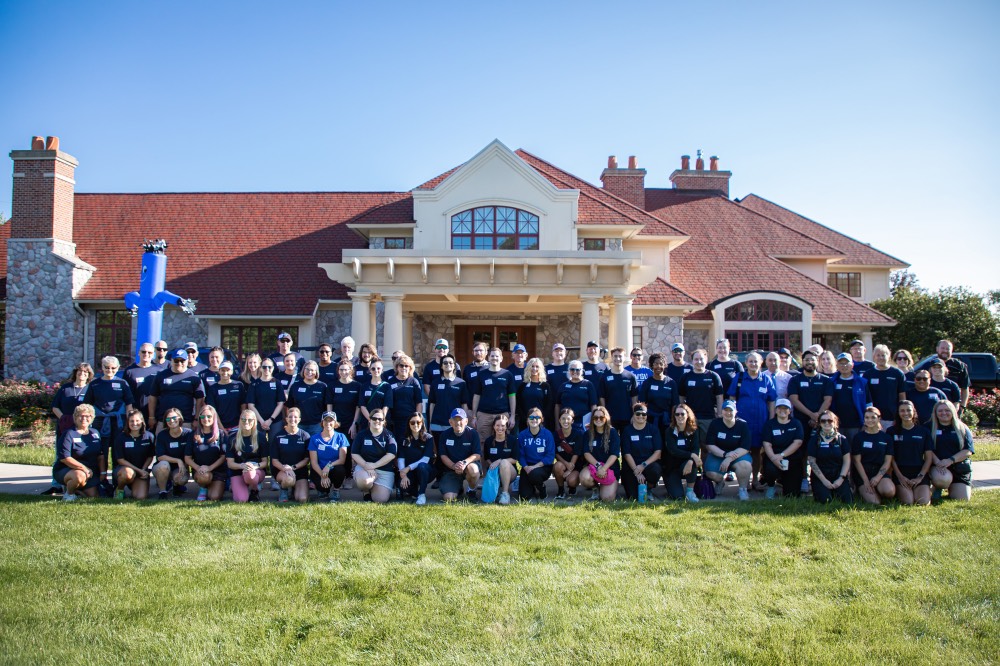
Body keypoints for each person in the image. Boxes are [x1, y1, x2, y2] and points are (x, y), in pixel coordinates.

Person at [85, 355, 135, 491]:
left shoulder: (123, 383)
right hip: (99, 422)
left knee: (117, 453)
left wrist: (128, 422)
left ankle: (117, 482)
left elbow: (129, 404)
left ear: (118, 368)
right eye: (107, 367)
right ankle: (101, 481)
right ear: (102, 368)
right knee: (101, 453)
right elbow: (87, 405)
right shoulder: (94, 384)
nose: (110, 370)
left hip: (118, 422)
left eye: (113, 368)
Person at [787, 348, 834, 493]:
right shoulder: (795, 380)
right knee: (802, 452)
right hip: (801, 421)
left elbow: (828, 399)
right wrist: (811, 415)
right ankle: (803, 478)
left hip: (822, 422)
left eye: (812, 359)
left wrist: (818, 417)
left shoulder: (826, 380)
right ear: (803, 362)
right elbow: (794, 399)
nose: (809, 362)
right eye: (806, 359)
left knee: (820, 451)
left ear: (817, 361)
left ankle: (820, 479)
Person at [727, 351, 776, 489]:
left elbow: (771, 401)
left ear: (761, 363)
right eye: (750, 361)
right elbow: (732, 399)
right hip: (742, 423)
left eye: (756, 361)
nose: (753, 364)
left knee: (756, 452)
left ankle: (754, 480)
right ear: (746, 363)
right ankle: (743, 482)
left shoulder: (766, 380)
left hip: (761, 422)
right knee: (741, 450)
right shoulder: (739, 378)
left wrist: (772, 420)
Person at [703, 400, 753, 501]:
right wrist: (725, 454)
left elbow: (745, 448)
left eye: (731, 410)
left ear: (736, 412)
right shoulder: (715, 423)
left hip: (738, 455)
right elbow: (710, 445)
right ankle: (720, 482)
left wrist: (729, 458)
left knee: (745, 466)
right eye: (725, 410)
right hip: (719, 454)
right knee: (710, 473)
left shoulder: (742, 425)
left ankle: (742, 490)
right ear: (721, 411)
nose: (728, 413)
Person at [148, 349, 206, 433]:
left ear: (187, 361)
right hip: (164, 421)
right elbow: (153, 397)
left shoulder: (194, 377)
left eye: (182, 360)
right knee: (161, 444)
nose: (179, 363)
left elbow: (200, 399)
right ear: (171, 361)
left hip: (186, 421)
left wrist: (197, 418)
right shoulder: (161, 375)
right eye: (176, 360)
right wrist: (151, 417)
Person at [888, 400, 934, 506]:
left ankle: (928, 488)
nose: (905, 413)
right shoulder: (891, 431)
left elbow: (928, 457)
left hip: (918, 471)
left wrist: (920, 477)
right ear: (898, 413)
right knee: (908, 502)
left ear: (913, 411)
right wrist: (900, 476)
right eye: (902, 411)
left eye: (908, 410)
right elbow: (891, 457)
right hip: (900, 472)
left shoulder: (923, 431)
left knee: (923, 502)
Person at [53, 404, 102, 501]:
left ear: (92, 418)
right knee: (79, 476)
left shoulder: (95, 433)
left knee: (93, 496)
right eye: (80, 415)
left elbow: (100, 455)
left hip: (89, 472)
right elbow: (65, 458)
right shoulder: (69, 433)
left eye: (87, 416)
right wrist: (84, 468)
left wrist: (102, 473)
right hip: (67, 469)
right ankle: (69, 494)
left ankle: (76, 490)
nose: (84, 418)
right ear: (75, 417)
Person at [679, 349, 725, 449]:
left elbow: (719, 396)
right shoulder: (686, 377)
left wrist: (720, 413)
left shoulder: (713, 376)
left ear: (706, 360)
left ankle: (705, 465)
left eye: (701, 359)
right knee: (691, 445)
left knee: (706, 445)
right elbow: (681, 397)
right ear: (692, 361)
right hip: (690, 418)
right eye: (696, 359)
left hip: (708, 417)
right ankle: (694, 464)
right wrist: (682, 413)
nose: (699, 362)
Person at [929, 400, 974, 501]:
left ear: (953, 411)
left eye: (947, 410)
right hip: (938, 466)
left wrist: (950, 460)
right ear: (935, 412)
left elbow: (968, 450)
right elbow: (926, 449)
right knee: (942, 480)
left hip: (958, 466)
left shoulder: (962, 427)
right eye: (940, 411)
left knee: (962, 499)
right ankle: (937, 486)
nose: (944, 413)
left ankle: (955, 485)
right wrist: (938, 463)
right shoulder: (929, 427)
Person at [760, 398, 805, 499]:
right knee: (770, 470)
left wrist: (781, 455)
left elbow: (798, 442)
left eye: (785, 408)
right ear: (775, 410)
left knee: (792, 495)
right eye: (780, 408)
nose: (782, 411)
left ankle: (787, 483)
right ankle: (771, 486)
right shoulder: (769, 424)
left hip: (792, 459)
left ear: (790, 411)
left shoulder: (796, 424)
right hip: (773, 457)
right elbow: (767, 444)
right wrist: (773, 458)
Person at [351, 407, 397, 504]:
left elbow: (391, 454)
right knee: (364, 482)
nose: (377, 421)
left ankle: (376, 488)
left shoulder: (389, 435)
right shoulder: (361, 435)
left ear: (384, 421)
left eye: (380, 419)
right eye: (374, 418)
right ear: (369, 420)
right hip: (365, 467)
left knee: (380, 500)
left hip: (384, 470)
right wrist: (366, 466)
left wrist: (374, 465)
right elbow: (354, 453)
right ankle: (366, 491)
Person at [851, 406, 896, 505]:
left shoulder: (886, 438)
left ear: (879, 418)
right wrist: (866, 481)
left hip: (879, 472)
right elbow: (857, 461)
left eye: (873, 417)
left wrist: (877, 477)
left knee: (889, 492)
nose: (869, 420)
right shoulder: (859, 437)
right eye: (867, 418)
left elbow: (887, 461)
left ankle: (878, 488)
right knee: (874, 502)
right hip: (863, 473)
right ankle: (863, 490)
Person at [471, 347, 516, 443]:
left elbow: (512, 396)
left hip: (502, 414)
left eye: (497, 356)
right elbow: (476, 396)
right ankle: (484, 459)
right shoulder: (481, 374)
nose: (494, 358)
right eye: (492, 356)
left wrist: (512, 416)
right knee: (482, 442)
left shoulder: (508, 374)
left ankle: (503, 459)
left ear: (501, 358)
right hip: (484, 415)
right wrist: (474, 416)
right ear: (488, 358)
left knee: (503, 441)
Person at [806, 410, 853, 504]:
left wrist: (841, 479)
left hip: (838, 474)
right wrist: (824, 481)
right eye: (823, 421)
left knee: (847, 501)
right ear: (819, 423)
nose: (826, 423)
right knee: (826, 501)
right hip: (821, 476)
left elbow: (847, 461)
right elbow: (812, 461)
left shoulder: (842, 439)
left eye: (830, 420)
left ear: (835, 422)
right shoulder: (814, 439)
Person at [437, 408, 482, 502]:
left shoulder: (473, 434)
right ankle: (459, 488)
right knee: (449, 498)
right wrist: (454, 466)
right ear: (450, 422)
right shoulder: (444, 435)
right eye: (455, 420)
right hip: (451, 469)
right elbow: (443, 456)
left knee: (473, 470)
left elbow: (477, 455)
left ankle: (471, 491)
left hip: (468, 466)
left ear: (466, 421)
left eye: (460, 420)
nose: (458, 423)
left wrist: (464, 463)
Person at [620, 403, 663, 501]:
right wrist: (636, 471)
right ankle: (639, 484)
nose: (641, 416)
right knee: (633, 497)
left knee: (655, 470)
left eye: (643, 414)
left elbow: (658, 453)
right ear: (633, 415)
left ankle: (649, 488)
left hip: (648, 465)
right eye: (638, 414)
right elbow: (626, 454)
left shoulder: (653, 429)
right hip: (632, 467)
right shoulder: (627, 431)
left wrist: (643, 465)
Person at [578, 406, 620, 503]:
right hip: (594, 466)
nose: (598, 420)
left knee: (607, 499)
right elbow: (586, 453)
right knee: (584, 478)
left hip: (610, 467)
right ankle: (595, 489)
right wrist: (598, 466)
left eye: (601, 417)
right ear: (592, 419)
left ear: (606, 418)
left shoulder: (613, 433)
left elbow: (614, 454)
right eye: (595, 417)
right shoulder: (587, 434)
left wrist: (603, 468)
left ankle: (607, 488)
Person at [186, 405, 228, 501]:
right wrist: (198, 468)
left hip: (218, 471)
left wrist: (210, 468)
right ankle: (203, 488)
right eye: (202, 416)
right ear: (199, 418)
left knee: (214, 497)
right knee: (204, 477)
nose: (206, 419)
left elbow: (223, 457)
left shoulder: (221, 434)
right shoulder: (193, 435)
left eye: (209, 416)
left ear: (214, 417)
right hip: (200, 471)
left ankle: (214, 487)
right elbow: (187, 458)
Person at [661, 404, 702, 502]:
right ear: (674, 416)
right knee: (677, 496)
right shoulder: (669, 431)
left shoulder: (694, 430)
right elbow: (673, 450)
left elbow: (696, 448)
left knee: (693, 463)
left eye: (682, 414)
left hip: (687, 464)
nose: (680, 416)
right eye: (677, 414)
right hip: (671, 468)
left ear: (688, 415)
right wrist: (691, 455)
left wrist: (691, 460)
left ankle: (690, 492)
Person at [111, 410, 155, 500]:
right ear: (127, 422)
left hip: (141, 470)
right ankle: (119, 490)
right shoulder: (120, 438)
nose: (134, 423)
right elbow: (120, 460)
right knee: (128, 473)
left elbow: (150, 456)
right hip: (123, 470)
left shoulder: (149, 436)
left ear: (142, 421)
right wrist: (139, 470)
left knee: (140, 497)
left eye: (137, 421)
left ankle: (135, 487)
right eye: (131, 421)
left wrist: (143, 470)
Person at [271, 407, 312, 503]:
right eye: (290, 417)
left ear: (299, 420)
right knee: (289, 479)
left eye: (295, 417)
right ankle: (284, 490)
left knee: (302, 499)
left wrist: (293, 467)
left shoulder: (305, 436)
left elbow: (307, 459)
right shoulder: (278, 436)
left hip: (299, 471)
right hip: (282, 471)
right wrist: (285, 468)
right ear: (286, 419)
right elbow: (274, 461)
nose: (292, 419)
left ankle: (294, 489)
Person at [226, 410, 268, 503]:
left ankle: (254, 490)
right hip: (237, 471)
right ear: (240, 420)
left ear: (254, 421)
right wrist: (242, 466)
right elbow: (230, 463)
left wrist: (254, 466)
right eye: (243, 419)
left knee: (249, 474)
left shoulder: (261, 437)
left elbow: (265, 462)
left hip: (256, 471)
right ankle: (237, 486)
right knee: (242, 500)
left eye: (250, 420)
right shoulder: (232, 438)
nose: (246, 422)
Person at [829, 352, 872, 441]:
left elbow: (869, 403)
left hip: (856, 424)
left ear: (852, 365)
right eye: (841, 363)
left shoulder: (862, 382)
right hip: (836, 425)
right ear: (837, 365)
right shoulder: (831, 382)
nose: (844, 365)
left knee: (855, 450)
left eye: (846, 363)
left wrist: (867, 422)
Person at [152, 407, 193, 499]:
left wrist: (184, 467)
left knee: (181, 479)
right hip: (162, 467)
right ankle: (163, 491)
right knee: (164, 465)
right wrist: (178, 460)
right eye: (168, 419)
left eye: (174, 418)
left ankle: (176, 485)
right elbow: (160, 457)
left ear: (180, 419)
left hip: (180, 467)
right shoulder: (162, 435)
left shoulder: (188, 434)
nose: (171, 421)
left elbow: (190, 454)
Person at [308, 411, 349, 502]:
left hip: (333, 469)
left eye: (331, 420)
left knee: (340, 469)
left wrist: (328, 466)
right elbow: (313, 462)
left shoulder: (341, 437)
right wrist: (323, 476)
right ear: (322, 423)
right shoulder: (314, 438)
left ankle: (336, 490)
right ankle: (323, 490)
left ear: (335, 423)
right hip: (319, 470)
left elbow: (342, 460)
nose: (328, 423)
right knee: (323, 489)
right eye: (325, 420)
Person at [865, 344, 907, 430]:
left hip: (892, 418)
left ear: (888, 356)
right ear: (874, 357)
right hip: (873, 418)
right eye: (878, 355)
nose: (881, 358)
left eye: (883, 355)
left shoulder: (897, 373)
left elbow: (902, 396)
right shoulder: (868, 374)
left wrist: (899, 416)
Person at [397, 412, 435, 506]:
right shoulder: (404, 439)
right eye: (412, 422)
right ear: (408, 424)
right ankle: (413, 491)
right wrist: (403, 474)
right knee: (404, 487)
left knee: (422, 466)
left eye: (418, 422)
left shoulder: (428, 438)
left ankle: (422, 494)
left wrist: (408, 468)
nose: (415, 425)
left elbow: (425, 460)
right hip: (408, 472)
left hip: (425, 470)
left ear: (422, 423)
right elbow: (401, 458)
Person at [517, 408, 555, 501]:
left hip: (543, 467)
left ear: (541, 419)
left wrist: (535, 467)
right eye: (531, 417)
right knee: (524, 497)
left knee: (534, 474)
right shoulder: (522, 435)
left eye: (537, 417)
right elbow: (520, 455)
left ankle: (542, 488)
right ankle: (532, 487)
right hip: (527, 467)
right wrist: (526, 467)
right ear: (527, 419)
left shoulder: (547, 434)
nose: (534, 419)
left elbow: (550, 456)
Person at [285, 360, 331, 437]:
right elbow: (290, 406)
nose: (309, 372)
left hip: (317, 425)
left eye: (312, 370)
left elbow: (327, 406)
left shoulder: (323, 386)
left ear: (316, 372)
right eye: (307, 369)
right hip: (298, 424)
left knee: (314, 448)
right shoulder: (295, 386)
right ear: (303, 370)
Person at [598, 347, 638, 433]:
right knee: (611, 444)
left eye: (620, 356)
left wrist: (634, 414)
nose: (618, 359)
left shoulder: (630, 376)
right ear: (612, 358)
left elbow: (634, 396)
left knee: (626, 444)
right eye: (615, 356)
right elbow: (602, 397)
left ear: (624, 357)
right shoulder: (604, 377)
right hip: (610, 418)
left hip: (627, 417)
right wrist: (604, 414)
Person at [638, 352, 679, 435]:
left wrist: (673, 421)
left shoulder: (671, 383)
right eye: (656, 363)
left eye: (661, 363)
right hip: (650, 420)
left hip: (667, 421)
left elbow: (675, 404)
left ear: (664, 365)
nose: (658, 366)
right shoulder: (647, 383)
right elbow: (642, 403)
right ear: (652, 365)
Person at [387, 354, 426, 441]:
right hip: (395, 421)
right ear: (397, 367)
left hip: (410, 421)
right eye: (401, 365)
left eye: (406, 366)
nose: (403, 368)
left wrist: (417, 418)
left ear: (410, 368)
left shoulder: (414, 382)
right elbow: (387, 402)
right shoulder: (390, 382)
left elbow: (419, 402)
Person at [483, 413, 520, 505]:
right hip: (494, 472)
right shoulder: (488, 441)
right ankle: (497, 489)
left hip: (511, 472)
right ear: (493, 426)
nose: (500, 428)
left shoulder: (513, 440)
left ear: (506, 427)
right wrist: (493, 465)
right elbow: (487, 458)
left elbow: (515, 459)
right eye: (497, 425)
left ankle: (505, 493)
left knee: (504, 462)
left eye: (503, 425)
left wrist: (499, 461)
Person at [247, 357, 286, 443]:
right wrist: (261, 421)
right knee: (258, 445)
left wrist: (270, 420)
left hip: (275, 420)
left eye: (269, 367)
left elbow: (280, 404)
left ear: (273, 368)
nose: (267, 369)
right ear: (260, 368)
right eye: (264, 367)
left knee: (274, 445)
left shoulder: (277, 383)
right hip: (258, 420)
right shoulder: (254, 384)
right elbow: (250, 405)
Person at [52, 362, 93, 440]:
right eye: (80, 370)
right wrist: (64, 419)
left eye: (85, 371)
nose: (82, 373)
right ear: (76, 372)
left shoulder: (90, 389)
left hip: (83, 424)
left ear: (89, 374)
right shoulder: (65, 388)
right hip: (65, 424)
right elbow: (55, 407)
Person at [552, 408, 585, 499]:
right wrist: (566, 464)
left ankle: (572, 488)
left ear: (572, 421)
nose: (565, 421)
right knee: (557, 466)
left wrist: (570, 467)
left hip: (575, 466)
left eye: (568, 419)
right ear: (559, 420)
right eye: (563, 419)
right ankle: (561, 490)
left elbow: (577, 452)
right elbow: (555, 453)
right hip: (562, 463)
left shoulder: (578, 434)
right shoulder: (555, 435)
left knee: (572, 481)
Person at [205, 361, 247, 431]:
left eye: (228, 370)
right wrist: (222, 428)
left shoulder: (239, 385)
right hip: (219, 427)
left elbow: (243, 406)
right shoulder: (213, 388)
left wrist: (241, 424)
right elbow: (212, 411)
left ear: (232, 371)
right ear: (219, 371)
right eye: (223, 370)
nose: (225, 373)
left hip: (237, 425)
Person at [554, 360, 598, 428]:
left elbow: (593, 406)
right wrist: (557, 424)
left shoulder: (588, 384)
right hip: (566, 422)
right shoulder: (563, 386)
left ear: (582, 371)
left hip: (584, 423)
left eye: (577, 370)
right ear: (569, 371)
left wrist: (593, 423)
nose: (575, 371)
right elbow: (557, 405)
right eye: (572, 369)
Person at [122, 343, 160, 419]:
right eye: (143, 352)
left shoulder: (159, 371)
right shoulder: (129, 371)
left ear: (153, 354)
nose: (146, 354)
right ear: (139, 353)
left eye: (149, 352)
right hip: (135, 414)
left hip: (155, 413)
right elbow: (125, 394)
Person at [516, 357, 552, 430]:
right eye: (532, 366)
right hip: (524, 423)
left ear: (540, 369)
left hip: (540, 423)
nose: (534, 369)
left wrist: (541, 419)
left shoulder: (545, 386)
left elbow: (549, 404)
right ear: (528, 368)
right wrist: (525, 419)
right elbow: (518, 404)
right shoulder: (523, 385)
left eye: (537, 366)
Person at [328, 360, 361, 440]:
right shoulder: (332, 386)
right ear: (338, 371)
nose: (343, 372)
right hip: (336, 422)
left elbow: (358, 406)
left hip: (351, 423)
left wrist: (354, 424)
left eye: (346, 370)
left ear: (350, 370)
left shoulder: (357, 386)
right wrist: (331, 421)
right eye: (341, 370)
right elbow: (329, 404)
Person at [936, 339, 970, 415]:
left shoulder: (959, 366)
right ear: (937, 349)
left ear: (952, 351)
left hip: (953, 407)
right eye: (942, 348)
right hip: (934, 407)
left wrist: (962, 407)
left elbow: (965, 388)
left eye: (948, 349)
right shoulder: (929, 365)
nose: (945, 351)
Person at [358, 358, 393, 431]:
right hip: (366, 422)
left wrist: (379, 420)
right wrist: (371, 420)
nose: (376, 370)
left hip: (381, 422)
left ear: (382, 370)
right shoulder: (364, 386)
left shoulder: (386, 386)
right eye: (373, 369)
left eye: (378, 368)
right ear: (370, 370)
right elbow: (362, 406)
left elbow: (386, 406)